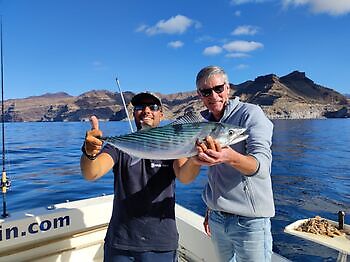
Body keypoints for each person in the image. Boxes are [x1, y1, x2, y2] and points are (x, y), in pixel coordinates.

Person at [178, 65, 275, 262]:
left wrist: (229, 157)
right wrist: (211, 208)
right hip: (216, 219)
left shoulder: (251, 114)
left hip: (250, 221)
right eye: (206, 91)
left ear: (228, 88)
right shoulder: (202, 123)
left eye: (218, 89)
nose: (213, 95)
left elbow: (262, 167)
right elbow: (214, 175)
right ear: (199, 95)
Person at [80, 92, 192, 262]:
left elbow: (185, 176)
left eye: (153, 107)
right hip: (121, 242)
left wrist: (197, 159)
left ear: (161, 114)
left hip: (160, 244)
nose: (146, 111)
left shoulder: (174, 144)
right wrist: (89, 153)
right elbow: (91, 173)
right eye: (140, 107)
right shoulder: (119, 146)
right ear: (134, 114)